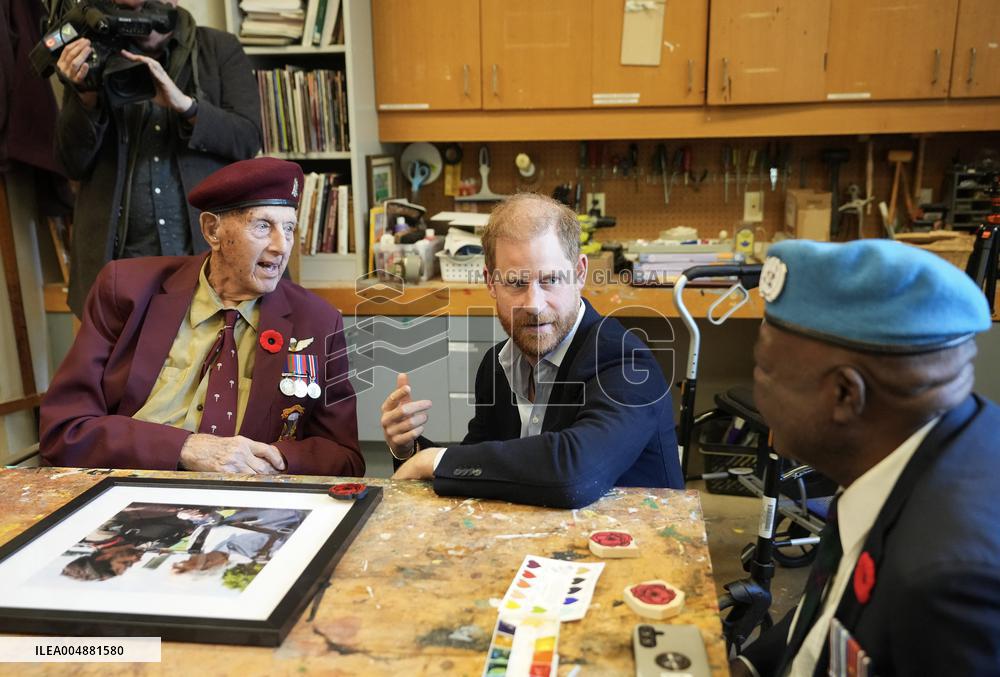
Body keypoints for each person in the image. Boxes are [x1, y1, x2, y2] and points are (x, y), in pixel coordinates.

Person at [731, 240, 999, 677]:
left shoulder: (947, 582)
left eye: (764, 369)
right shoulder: (910, 454)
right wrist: (746, 667)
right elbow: (829, 616)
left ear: (844, 395)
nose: (758, 392)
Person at [40, 157, 363, 476]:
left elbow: (345, 457)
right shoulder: (126, 291)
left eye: (289, 228)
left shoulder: (317, 321)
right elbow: (65, 431)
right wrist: (184, 448)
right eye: (263, 226)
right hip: (131, 488)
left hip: (247, 506)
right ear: (213, 230)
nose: (282, 246)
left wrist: (276, 461)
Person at [381, 193, 681, 508]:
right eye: (515, 282)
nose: (534, 305)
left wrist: (435, 461)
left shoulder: (627, 363)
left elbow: (574, 473)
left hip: (638, 548)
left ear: (579, 273)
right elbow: (480, 467)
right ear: (490, 283)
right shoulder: (496, 366)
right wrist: (409, 449)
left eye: (550, 280)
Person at [54, 0, 262, 317]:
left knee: (216, 365)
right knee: (122, 368)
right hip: (120, 270)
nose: (137, 16)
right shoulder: (94, 54)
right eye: (127, 8)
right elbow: (72, 163)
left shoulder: (219, 49)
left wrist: (186, 107)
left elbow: (248, 139)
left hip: (209, 263)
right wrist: (85, 97)